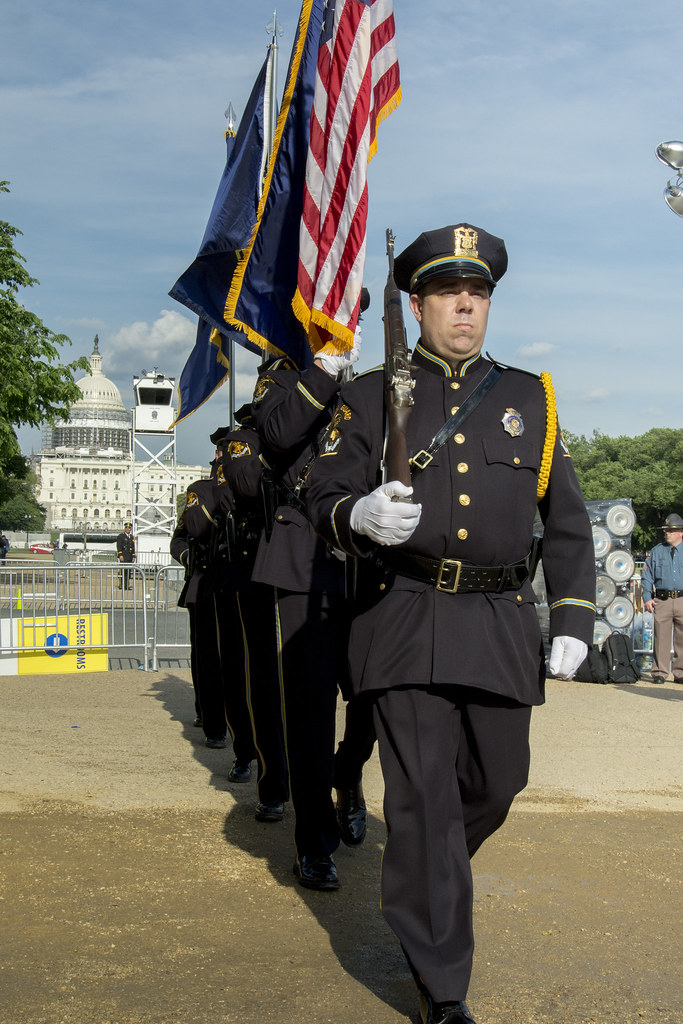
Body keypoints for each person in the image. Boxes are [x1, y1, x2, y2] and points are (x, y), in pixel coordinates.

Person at [307, 222, 596, 1024]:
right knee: (425, 802)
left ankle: (426, 876)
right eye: (446, 294)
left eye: (477, 295)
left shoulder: (524, 397)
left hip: (500, 622)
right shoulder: (369, 395)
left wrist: (572, 611)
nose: (464, 307)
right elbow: (316, 493)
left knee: (497, 785)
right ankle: (444, 988)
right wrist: (356, 514)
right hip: (403, 617)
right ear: (417, 303)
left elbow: (565, 520)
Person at [249, 332, 376, 891]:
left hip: (369, 558)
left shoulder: (373, 384)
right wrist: (322, 371)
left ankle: (347, 774)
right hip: (305, 558)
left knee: (376, 693)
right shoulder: (284, 375)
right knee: (310, 712)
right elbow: (275, 435)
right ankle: (314, 842)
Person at [641, 512, 683, 683]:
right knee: (661, 638)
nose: (668, 533)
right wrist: (646, 597)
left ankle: (680, 673)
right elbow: (647, 577)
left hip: (682, 599)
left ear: (681, 532)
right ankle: (659, 672)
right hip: (662, 600)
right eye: (666, 530)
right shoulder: (657, 551)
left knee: (682, 639)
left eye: (672, 530)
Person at [116, 522, 136, 588]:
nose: (128, 529)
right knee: (123, 571)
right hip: (123, 556)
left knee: (128, 571)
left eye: (129, 528)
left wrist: (133, 556)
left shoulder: (131, 537)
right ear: (125, 528)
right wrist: (120, 555)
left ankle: (127, 585)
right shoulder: (121, 536)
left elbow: (133, 547)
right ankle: (121, 585)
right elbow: (119, 546)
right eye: (127, 527)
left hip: (129, 556)